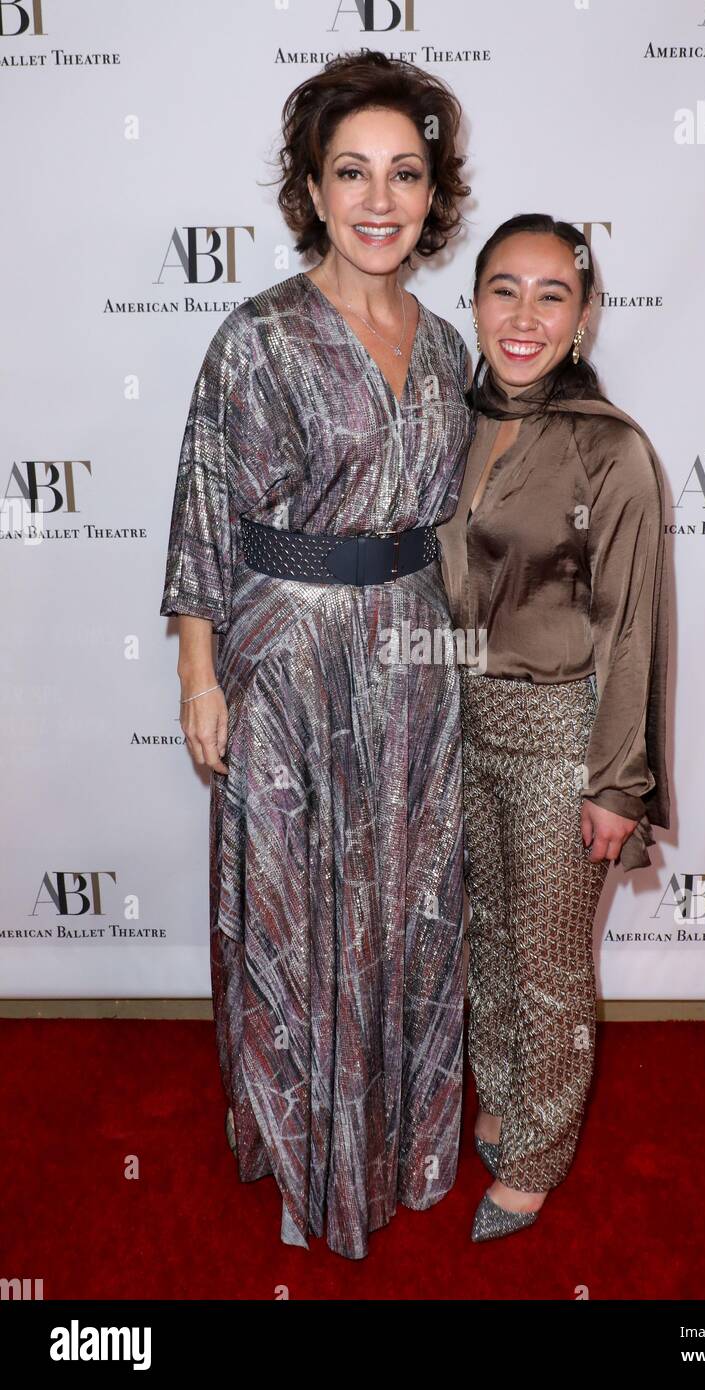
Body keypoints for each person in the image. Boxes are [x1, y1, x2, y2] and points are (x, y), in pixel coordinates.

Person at [159, 51, 474, 1260]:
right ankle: (305, 1157)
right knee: (299, 914)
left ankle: (397, 1141)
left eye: (404, 172)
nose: (379, 198)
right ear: (310, 185)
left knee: (408, 903)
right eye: (352, 172)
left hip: (415, 658)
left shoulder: (448, 350)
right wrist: (199, 675)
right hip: (284, 663)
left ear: (433, 191)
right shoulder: (255, 337)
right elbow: (202, 516)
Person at [436, 214, 671, 1242]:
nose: (522, 316)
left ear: (582, 316)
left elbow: (631, 623)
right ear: (473, 299)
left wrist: (615, 783)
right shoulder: (449, 418)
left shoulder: (609, 448)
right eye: (502, 289)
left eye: (550, 295)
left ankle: (536, 1155)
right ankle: (503, 1100)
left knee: (547, 961)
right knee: (485, 939)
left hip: (561, 732)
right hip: (457, 720)